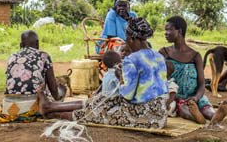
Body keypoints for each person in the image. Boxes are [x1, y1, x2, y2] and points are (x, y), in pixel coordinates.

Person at [38, 17, 168, 129]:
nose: (127, 43)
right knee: (104, 99)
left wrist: (120, 76)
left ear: (133, 38)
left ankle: (52, 111)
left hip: (145, 116)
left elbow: (127, 95)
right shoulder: (159, 57)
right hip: (160, 114)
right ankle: (50, 106)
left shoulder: (132, 59)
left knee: (99, 112)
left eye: (127, 39)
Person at [159, 16, 227, 124]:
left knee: (205, 106)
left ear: (179, 31)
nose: (165, 33)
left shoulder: (195, 56)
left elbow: (201, 84)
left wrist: (195, 98)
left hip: (195, 96)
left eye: (169, 29)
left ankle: (214, 116)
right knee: (183, 109)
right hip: (174, 97)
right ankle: (197, 116)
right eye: (165, 30)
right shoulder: (164, 53)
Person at [6, 30, 62, 100]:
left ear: (21, 45)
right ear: (37, 43)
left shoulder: (11, 57)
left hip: (10, 100)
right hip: (34, 100)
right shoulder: (43, 56)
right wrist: (58, 99)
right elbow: (53, 87)